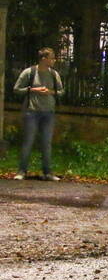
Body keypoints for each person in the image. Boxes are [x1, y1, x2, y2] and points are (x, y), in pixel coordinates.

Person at [13, 48, 64, 181]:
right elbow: (17, 89)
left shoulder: (54, 74)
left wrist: (50, 92)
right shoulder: (29, 72)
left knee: (46, 143)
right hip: (32, 111)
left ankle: (47, 172)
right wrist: (33, 89)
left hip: (49, 112)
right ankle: (22, 171)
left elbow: (61, 91)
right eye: (51, 58)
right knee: (28, 141)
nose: (54, 60)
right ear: (43, 59)